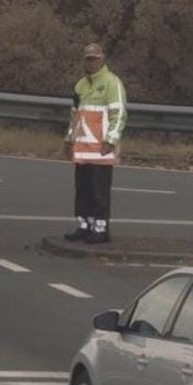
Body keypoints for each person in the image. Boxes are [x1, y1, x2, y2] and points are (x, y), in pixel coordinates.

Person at [63, 42, 126, 245]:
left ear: (102, 60)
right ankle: (85, 226)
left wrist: (111, 140)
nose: (90, 62)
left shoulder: (111, 83)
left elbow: (119, 114)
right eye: (87, 59)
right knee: (83, 192)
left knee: (99, 192)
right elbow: (75, 116)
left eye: (94, 59)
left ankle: (101, 229)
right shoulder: (80, 85)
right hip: (82, 151)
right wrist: (69, 140)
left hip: (101, 150)